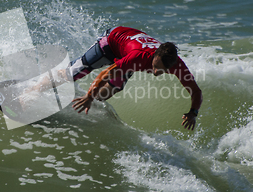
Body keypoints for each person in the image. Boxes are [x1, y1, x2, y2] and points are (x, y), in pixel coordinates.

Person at [26, 26, 202, 130]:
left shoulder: (178, 65)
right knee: (75, 73)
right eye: (155, 67)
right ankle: (33, 89)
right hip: (111, 42)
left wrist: (193, 112)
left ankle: (72, 107)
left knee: (111, 90)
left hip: (127, 51)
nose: (155, 72)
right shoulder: (139, 58)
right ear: (154, 56)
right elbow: (104, 74)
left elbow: (195, 91)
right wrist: (89, 96)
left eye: (161, 71)